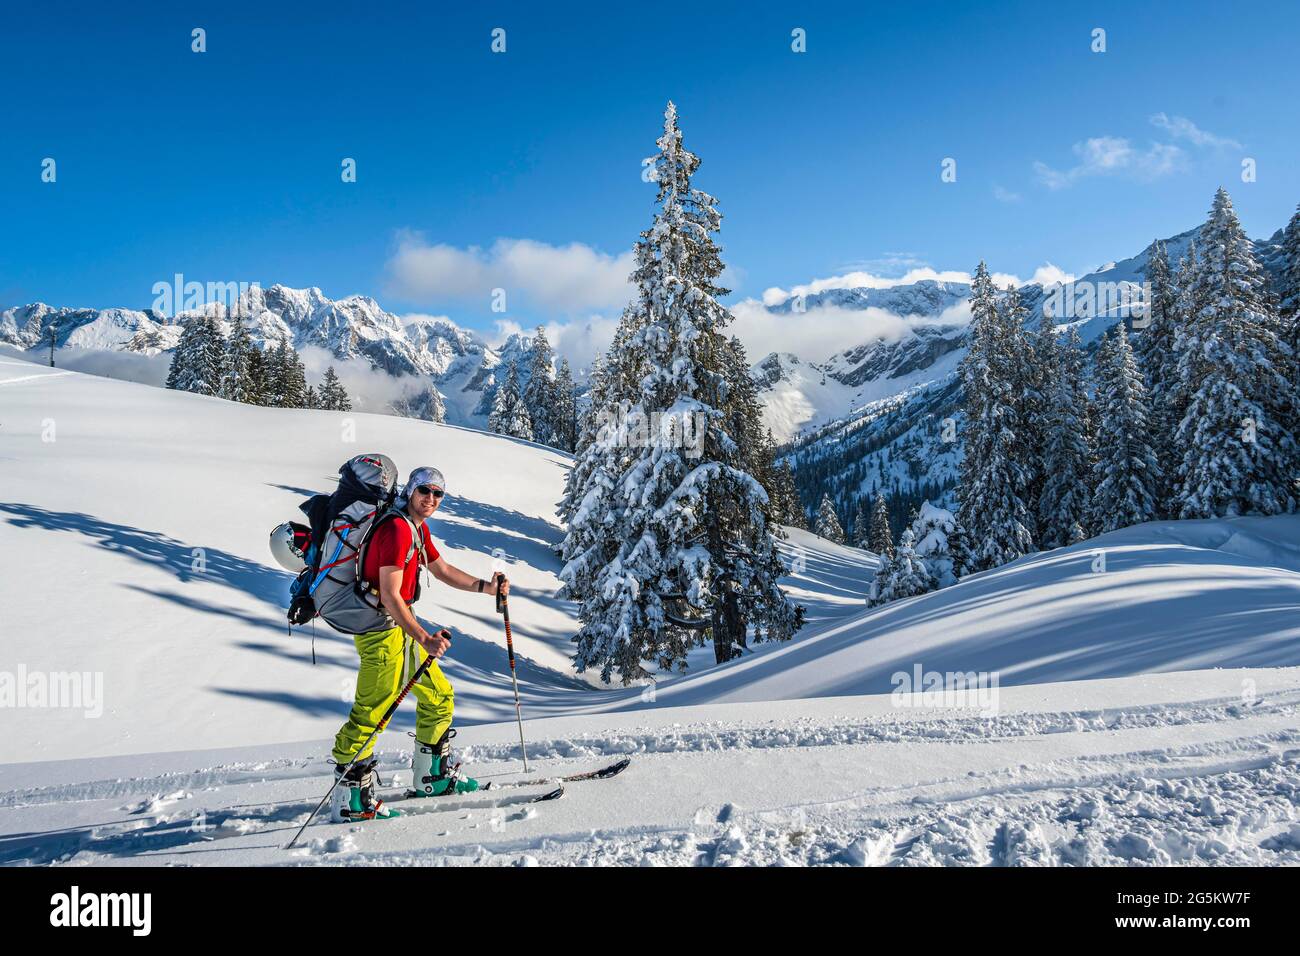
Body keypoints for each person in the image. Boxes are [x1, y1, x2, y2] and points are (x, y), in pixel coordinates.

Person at [330, 466, 508, 821]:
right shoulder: (396, 529)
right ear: (410, 491)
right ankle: (351, 802)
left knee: (439, 696)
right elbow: (391, 596)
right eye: (424, 491)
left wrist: (486, 588)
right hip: (380, 632)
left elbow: (442, 570)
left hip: (398, 627)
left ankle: (432, 778)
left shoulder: (416, 527)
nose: (431, 499)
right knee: (372, 712)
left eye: (438, 494)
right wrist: (424, 638)